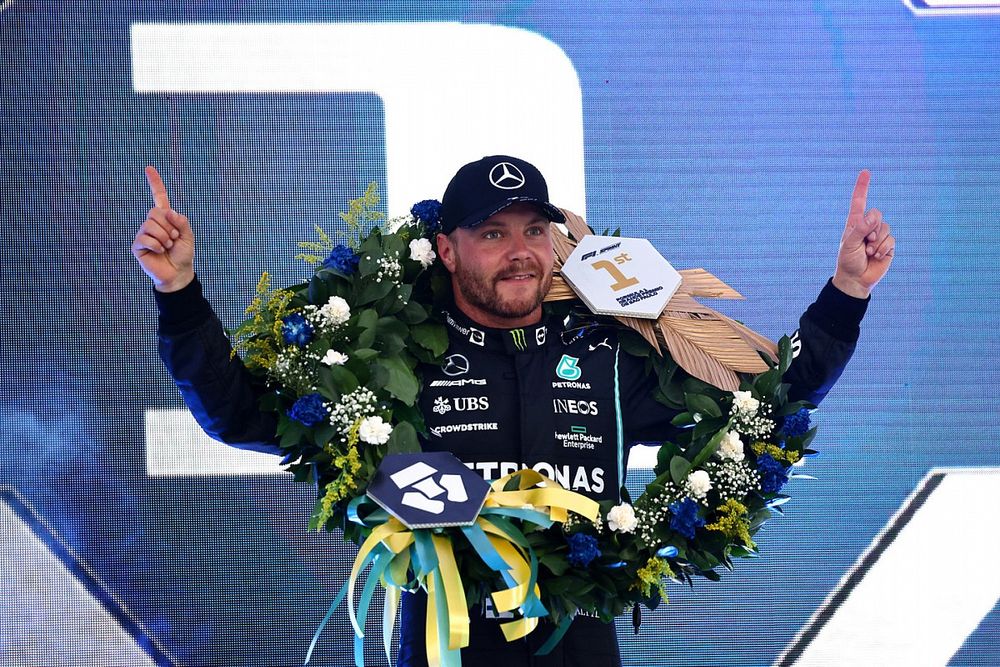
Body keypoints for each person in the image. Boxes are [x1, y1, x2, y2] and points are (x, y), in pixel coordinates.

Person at [133, 156, 894, 666]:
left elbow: (766, 403)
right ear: (448, 248)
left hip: (582, 647)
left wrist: (847, 294)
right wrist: (180, 295)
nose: (521, 250)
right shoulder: (394, 364)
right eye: (493, 234)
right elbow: (237, 413)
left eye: (534, 229)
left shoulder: (609, 356)